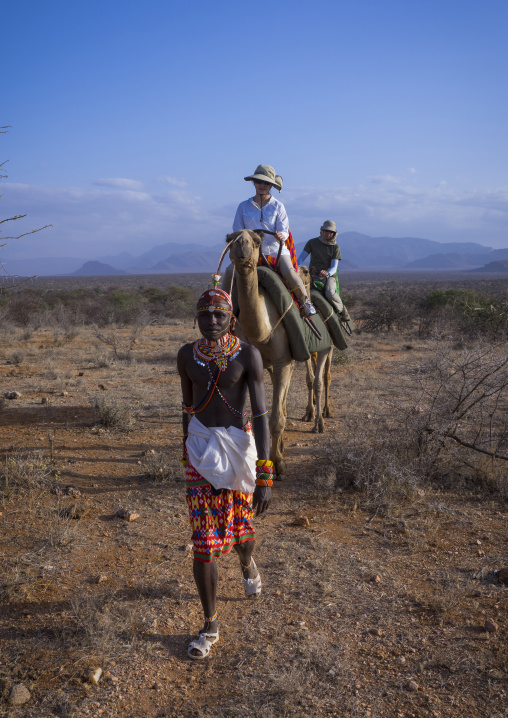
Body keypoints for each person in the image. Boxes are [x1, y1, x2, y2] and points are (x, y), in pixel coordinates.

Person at [177, 287, 273, 660]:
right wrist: (185, 449)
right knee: (203, 540)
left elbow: (262, 416)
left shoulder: (248, 354)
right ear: (196, 318)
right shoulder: (186, 355)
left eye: (219, 315)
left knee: (239, 529)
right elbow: (186, 409)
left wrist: (265, 475)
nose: (211, 322)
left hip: (237, 450)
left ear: (231, 319)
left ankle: (247, 563)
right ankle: (210, 623)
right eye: (205, 315)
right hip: (200, 451)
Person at [228, 164, 316, 316]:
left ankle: (305, 302)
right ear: (254, 183)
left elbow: (284, 229)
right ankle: (223, 306)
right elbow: (237, 230)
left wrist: (282, 235)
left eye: (266, 183)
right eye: (259, 182)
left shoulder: (278, 206)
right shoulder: (243, 207)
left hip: (276, 250)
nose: (262, 185)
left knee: (290, 272)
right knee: (229, 272)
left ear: (271, 186)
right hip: (250, 253)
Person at [297, 220, 350, 320]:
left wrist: (327, 274)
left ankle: (343, 311)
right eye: (326, 231)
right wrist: (300, 269)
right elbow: (300, 258)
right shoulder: (312, 242)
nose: (328, 233)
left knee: (330, 293)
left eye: (330, 232)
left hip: (328, 276)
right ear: (322, 230)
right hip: (312, 275)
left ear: (334, 233)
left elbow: (334, 267)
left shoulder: (335, 247)